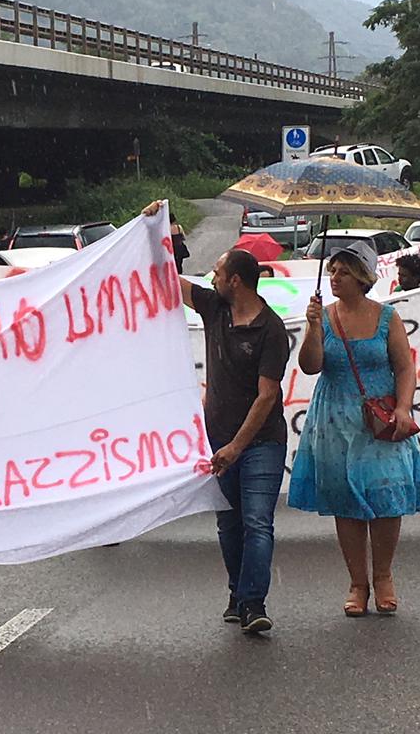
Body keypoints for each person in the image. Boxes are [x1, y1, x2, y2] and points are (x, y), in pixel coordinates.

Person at [144, 200, 290, 633]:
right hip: (217, 437)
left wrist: (235, 446)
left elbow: (267, 396)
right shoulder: (214, 308)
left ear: (237, 281)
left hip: (260, 442)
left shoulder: (272, 330)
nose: (211, 277)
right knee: (228, 525)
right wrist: (155, 229)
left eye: (219, 273)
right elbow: (169, 279)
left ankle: (252, 604)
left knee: (257, 522)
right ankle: (237, 591)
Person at [288, 242, 420, 617]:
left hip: (379, 420)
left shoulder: (386, 318)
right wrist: (313, 329)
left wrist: (402, 406)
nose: (335, 277)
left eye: (344, 271)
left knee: (386, 497)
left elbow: (404, 368)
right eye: (332, 270)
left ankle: (383, 576)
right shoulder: (324, 316)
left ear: (363, 277)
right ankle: (357, 583)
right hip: (334, 419)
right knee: (345, 501)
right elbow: (311, 366)